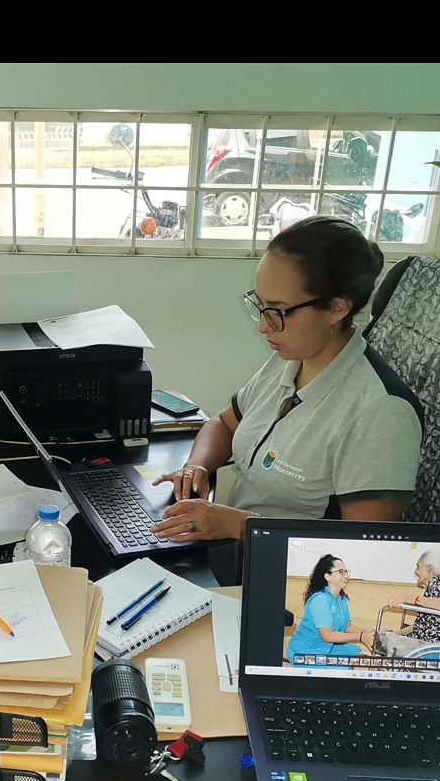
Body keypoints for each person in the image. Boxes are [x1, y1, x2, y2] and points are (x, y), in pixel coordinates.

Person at [155, 217, 424, 568]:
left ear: (337, 308)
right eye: (261, 306)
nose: (264, 326)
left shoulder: (380, 412)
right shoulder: (291, 357)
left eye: (279, 312)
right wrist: (196, 467)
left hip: (292, 578)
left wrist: (237, 524)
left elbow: (363, 550)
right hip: (240, 550)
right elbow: (224, 424)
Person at [287, 555, 373, 660]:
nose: (346, 575)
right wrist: (360, 636)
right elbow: (327, 636)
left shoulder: (341, 598)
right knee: (344, 666)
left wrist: (366, 631)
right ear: (328, 576)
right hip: (305, 651)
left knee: (355, 650)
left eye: (346, 571)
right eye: (341, 572)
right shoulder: (320, 600)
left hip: (325, 647)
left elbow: (346, 627)